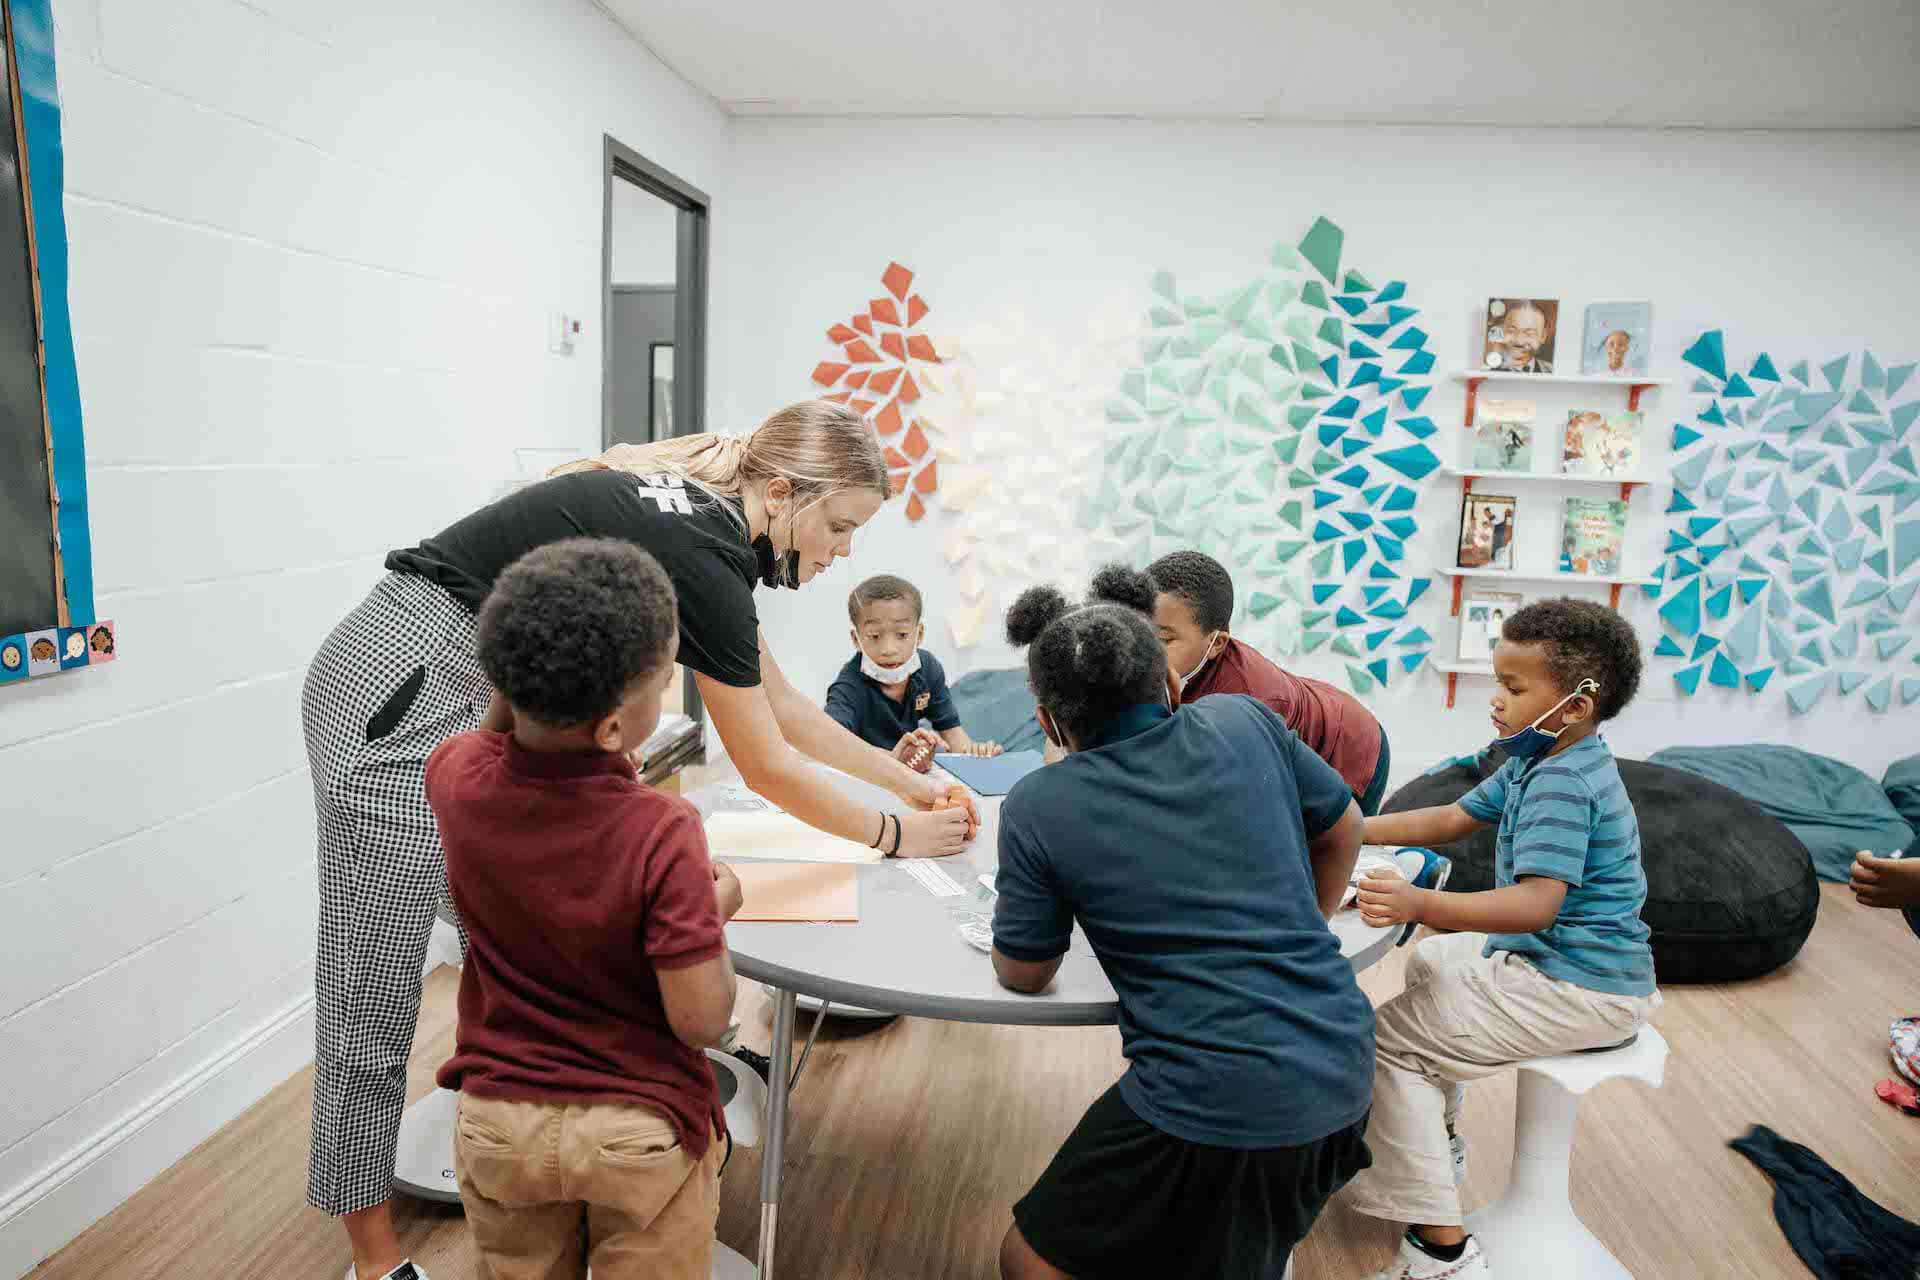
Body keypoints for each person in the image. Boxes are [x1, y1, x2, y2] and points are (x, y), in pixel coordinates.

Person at [301, 401, 974, 1280]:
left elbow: (786, 711)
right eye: (841, 526)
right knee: (373, 982)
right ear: (782, 492)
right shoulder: (704, 545)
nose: (845, 550)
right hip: (402, 684)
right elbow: (766, 758)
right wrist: (900, 836)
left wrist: (912, 785)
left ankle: (545, 1151)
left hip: (460, 685)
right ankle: (375, 1261)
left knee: (517, 935)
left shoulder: (705, 524)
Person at [990, 584, 1374, 1280]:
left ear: (1047, 722)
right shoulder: (1242, 720)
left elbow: (1025, 971)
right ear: (1170, 681)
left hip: (1210, 1103)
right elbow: (1344, 822)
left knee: (1029, 1260)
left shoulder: (1039, 804)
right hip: (1344, 1063)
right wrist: (1303, 924)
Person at [430, 539, 739, 1280]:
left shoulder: (454, 777)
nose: (666, 692)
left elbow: (493, 740)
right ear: (611, 727)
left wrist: (512, 683)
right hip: (635, 1129)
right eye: (662, 681)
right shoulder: (662, 832)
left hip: (500, 1121)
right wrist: (716, 902)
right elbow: (701, 1019)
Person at [1342, 598, 1658, 1280]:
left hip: (1580, 988)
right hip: (1576, 971)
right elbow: (1454, 817)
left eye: (1514, 688)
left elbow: (1536, 905)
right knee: (1433, 960)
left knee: (1386, 1043)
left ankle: (1442, 1252)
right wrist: (1349, 830)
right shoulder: (1538, 756)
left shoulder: (1563, 784)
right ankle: (1434, 1135)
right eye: (1498, 683)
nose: (1497, 701)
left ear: (1575, 704)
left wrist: (1421, 901)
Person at [1090, 554, 1395, 815]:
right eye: (1139, 630)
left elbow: (1240, 810)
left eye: (1164, 640)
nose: (1144, 650)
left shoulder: (1246, 705)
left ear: (1217, 643)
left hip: (1349, 751)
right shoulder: (1154, 669)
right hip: (1310, 702)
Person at [825, 573, 1001, 771]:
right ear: (856, 639)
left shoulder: (928, 669)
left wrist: (975, 754)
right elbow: (832, 744)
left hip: (913, 770)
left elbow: (951, 732)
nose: (889, 649)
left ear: (919, 634)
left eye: (901, 635)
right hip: (868, 773)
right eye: (874, 636)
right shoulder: (848, 688)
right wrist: (892, 757)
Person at [1490, 300, 1554, 373]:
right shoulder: (1488, 369)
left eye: (1529, 333)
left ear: (1543, 336)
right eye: (1511, 331)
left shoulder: (1550, 370)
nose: (1519, 341)